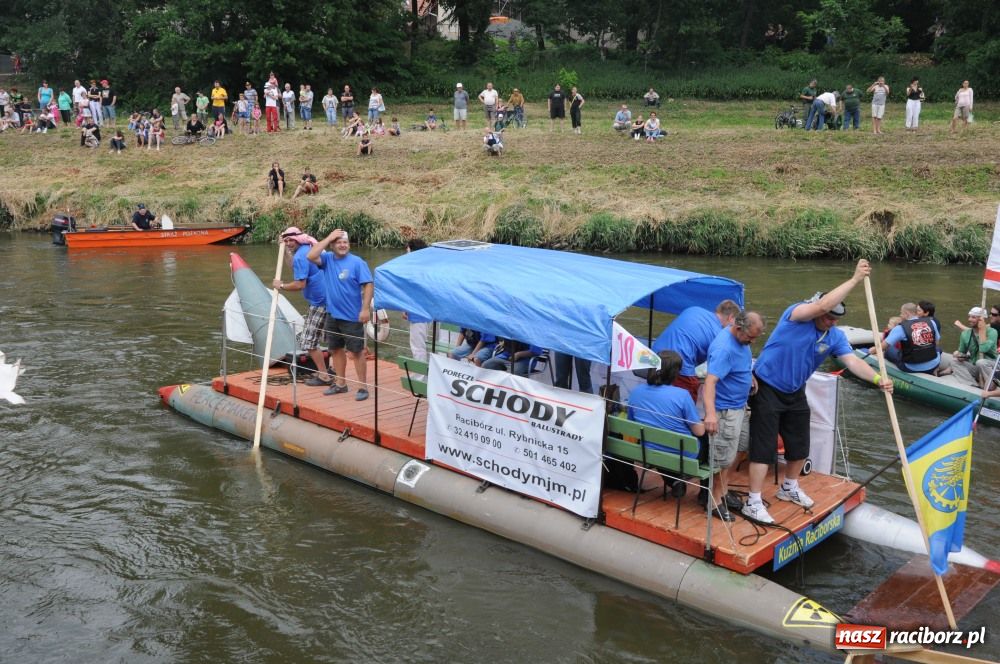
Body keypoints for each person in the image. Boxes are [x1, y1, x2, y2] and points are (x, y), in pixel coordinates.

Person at [744, 260, 891, 524]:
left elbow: (853, 362)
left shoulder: (834, 336)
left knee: (800, 444)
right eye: (828, 317)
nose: (831, 322)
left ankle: (789, 487)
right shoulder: (796, 315)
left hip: (795, 391)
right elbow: (822, 305)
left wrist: (879, 379)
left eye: (836, 319)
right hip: (766, 387)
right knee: (763, 448)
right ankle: (753, 501)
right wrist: (855, 278)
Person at [703, 311, 765, 522]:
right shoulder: (724, 349)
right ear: (738, 329)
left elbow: (740, 365)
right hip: (725, 411)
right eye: (751, 337)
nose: (753, 341)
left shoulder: (741, 341)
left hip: (740, 406)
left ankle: (723, 491)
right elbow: (710, 382)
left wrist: (750, 377)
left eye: (757, 337)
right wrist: (710, 414)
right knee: (723, 458)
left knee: (739, 449)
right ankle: (713, 502)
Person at [307, 230, 374, 401]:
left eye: (345, 242)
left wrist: (365, 309)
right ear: (332, 245)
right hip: (332, 314)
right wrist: (329, 237)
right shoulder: (327, 259)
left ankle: (362, 387)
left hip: (352, 316)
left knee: (357, 351)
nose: (343, 245)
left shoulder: (357, 262)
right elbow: (311, 255)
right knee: (335, 350)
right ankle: (340, 383)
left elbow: (368, 285)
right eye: (338, 242)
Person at [274, 227, 336, 387]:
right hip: (328, 298)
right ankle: (332, 370)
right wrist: (284, 250)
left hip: (320, 302)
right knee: (330, 339)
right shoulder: (308, 248)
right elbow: (293, 265)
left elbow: (300, 284)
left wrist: (281, 285)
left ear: (298, 239)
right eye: (286, 240)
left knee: (308, 341)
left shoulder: (302, 256)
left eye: (290, 240)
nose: (288, 243)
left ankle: (324, 376)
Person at [652, 299, 741, 402]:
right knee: (689, 393)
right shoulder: (720, 335)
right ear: (730, 317)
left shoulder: (694, 309)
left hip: (654, 355)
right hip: (678, 364)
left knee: (659, 391)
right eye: (735, 323)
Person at [627, 350, 706, 438]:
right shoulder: (682, 395)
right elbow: (699, 432)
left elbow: (631, 421)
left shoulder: (636, 391)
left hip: (645, 449)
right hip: (677, 450)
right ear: (675, 373)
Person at [871, 302, 940, 373]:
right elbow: (936, 343)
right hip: (934, 364)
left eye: (901, 313)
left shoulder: (900, 328)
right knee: (938, 349)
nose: (900, 315)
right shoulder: (932, 322)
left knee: (889, 349)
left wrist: (872, 350)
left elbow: (882, 347)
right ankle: (933, 369)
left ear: (907, 313)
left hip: (911, 367)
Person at [950, 307, 998, 388]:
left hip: (990, 366)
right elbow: (962, 351)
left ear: (981, 319)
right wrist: (960, 355)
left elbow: (983, 349)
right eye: (969, 316)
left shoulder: (992, 332)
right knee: (954, 362)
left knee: (981, 362)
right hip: (975, 364)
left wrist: (982, 330)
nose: (969, 319)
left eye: (973, 317)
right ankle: (972, 385)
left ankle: (991, 384)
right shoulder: (965, 334)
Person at [402, 239, 432, 364]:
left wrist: (405, 307)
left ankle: (419, 379)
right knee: (430, 346)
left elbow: (410, 291)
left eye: (407, 250)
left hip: (418, 313)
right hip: (433, 312)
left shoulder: (413, 268)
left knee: (418, 347)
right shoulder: (429, 267)